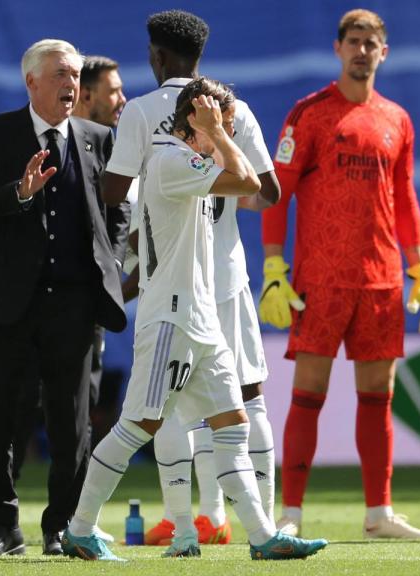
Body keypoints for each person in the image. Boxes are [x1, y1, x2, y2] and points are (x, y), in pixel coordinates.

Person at [62, 78, 327, 562]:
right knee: (137, 425)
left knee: (233, 425)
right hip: (171, 320)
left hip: (201, 319)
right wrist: (221, 135)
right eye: (219, 124)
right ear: (195, 122)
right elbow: (250, 181)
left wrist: (217, 134)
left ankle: (263, 536)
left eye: (227, 125)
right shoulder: (171, 160)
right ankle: (80, 528)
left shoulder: (190, 162)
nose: (227, 133)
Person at [102, 10, 281, 547]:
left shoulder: (139, 111)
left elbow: (113, 194)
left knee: (170, 406)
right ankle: (258, 521)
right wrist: (220, 188)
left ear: (156, 56)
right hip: (225, 276)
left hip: (169, 278)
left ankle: (186, 522)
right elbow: (267, 193)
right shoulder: (235, 110)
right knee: (246, 399)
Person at [260, 9, 420, 540]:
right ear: (337, 49)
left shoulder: (398, 120)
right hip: (321, 277)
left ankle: (378, 514)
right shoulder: (308, 114)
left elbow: (404, 197)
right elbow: (278, 191)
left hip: (382, 280)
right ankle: (289, 513)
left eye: (371, 44)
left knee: (378, 397)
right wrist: (274, 265)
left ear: (384, 53)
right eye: (354, 41)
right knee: (307, 393)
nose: (362, 51)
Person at [0, 38, 126, 557]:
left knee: (72, 421)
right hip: (7, 301)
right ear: (31, 81)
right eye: (59, 74)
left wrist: (112, 257)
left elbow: (117, 210)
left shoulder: (100, 137)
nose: (70, 84)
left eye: (74, 75)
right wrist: (19, 194)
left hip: (73, 305)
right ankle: (3, 529)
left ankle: (60, 526)